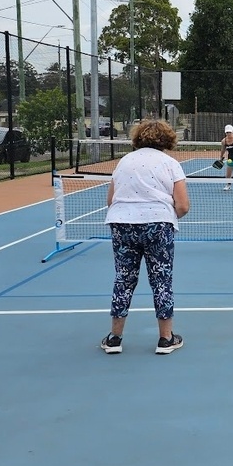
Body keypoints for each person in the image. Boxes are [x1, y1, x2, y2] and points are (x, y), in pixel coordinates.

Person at [100, 119, 190, 356]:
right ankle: (166, 339)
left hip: (122, 224)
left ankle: (114, 339)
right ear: (167, 139)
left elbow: (111, 200)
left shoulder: (124, 162)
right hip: (158, 226)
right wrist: (166, 216)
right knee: (161, 280)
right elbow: (182, 205)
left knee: (124, 279)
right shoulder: (170, 164)